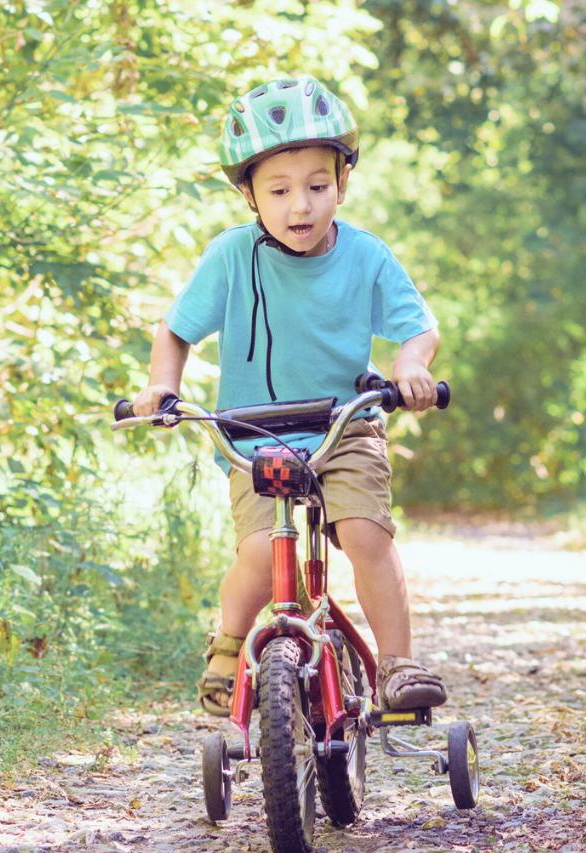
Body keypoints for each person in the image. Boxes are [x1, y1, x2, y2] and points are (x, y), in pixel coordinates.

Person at [133, 76, 447, 717]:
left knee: (364, 535)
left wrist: (410, 367)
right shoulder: (229, 257)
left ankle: (397, 664)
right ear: (248, 193)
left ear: (344, 183)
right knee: (257, 549)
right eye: (279, 190)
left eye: (317, 186)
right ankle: (228, 644)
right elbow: (175, 330)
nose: (300, 205)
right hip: (255, 432)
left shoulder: (365, 256)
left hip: (345, 423)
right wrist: (163, 386)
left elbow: (418, 326)